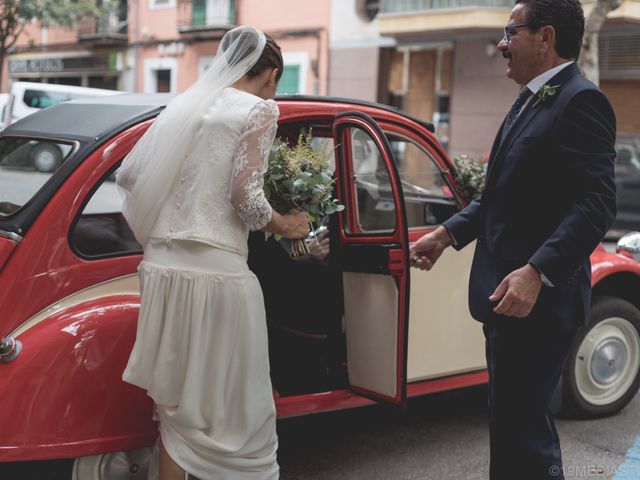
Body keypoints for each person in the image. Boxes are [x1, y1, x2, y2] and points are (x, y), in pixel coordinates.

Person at [409, 1, 616, 479]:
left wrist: (537, 271)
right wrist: (446, 233)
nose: (502, 44)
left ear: (545, 37)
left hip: (539, 304)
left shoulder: (581, 101)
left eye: (510, 32)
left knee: (524, 434)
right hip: (505, 299)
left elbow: (596, 204)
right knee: (510, 426)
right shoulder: (528, 98)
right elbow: (500, 198)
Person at [116, 26, 309, 480]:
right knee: (241, 410)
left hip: (162, 271)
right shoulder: (260, 108)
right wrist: (287, 226)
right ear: (272, 75)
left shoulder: (184, 106)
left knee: (177, 410)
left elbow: (128, 176)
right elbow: (247, 198)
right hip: (216, 274)